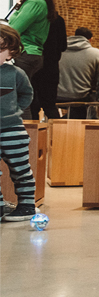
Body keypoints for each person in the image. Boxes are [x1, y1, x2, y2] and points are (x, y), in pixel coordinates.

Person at [0, 25, 38, 222]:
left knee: (20, 168)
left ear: (11, 53)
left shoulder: (15, 73)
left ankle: (27, 205)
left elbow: (27, 94)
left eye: (0, 49)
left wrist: (16, 111)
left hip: (12, 130)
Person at [8, 0, 56, 119]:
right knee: (21, 97)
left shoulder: (35, 2)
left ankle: (26, 134)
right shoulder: (42, 2)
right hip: (33, 55)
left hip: (26, 54)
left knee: (17, 98)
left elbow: (13, 29)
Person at [57, 27, 99, 119]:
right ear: (90, 40)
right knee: (91, 106)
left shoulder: (59, 50)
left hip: (56, 96)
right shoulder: (95, 53)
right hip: (80, 97)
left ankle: (62, 121)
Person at [30, 11, 67, 120]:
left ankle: (33, 135)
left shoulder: (34, 17)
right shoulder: (58, 20)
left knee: (32, 106)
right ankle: (57, 135)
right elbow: (63, 46)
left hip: (34, 63)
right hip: (51, 66)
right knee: (50, 106)